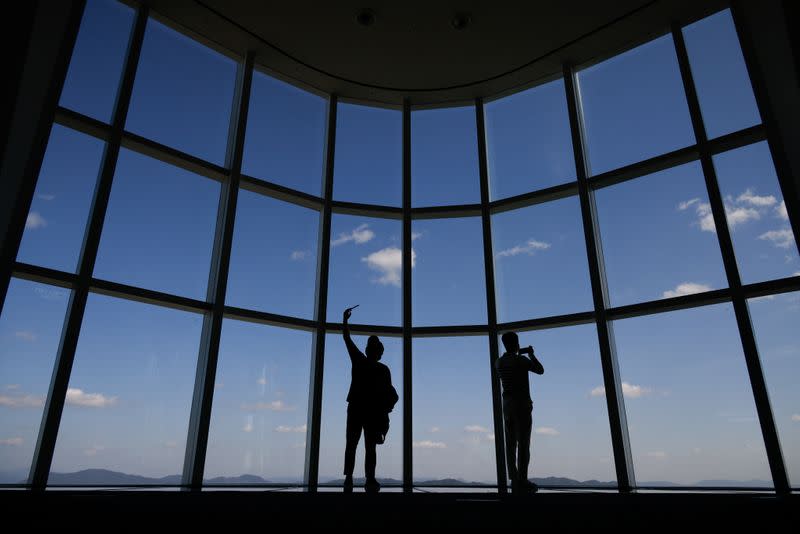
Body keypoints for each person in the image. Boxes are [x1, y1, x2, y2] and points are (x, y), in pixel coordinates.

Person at [342, 306, 398, 493]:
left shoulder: (359, 361)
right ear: (379, 352)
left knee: (353, 444)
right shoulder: (383, 370)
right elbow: (391, 395)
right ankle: (369, 479)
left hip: (357, 408)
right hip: (371, 412)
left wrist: (345, 322)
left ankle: (349, 478)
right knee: (369, 446)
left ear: (368, 350)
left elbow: (347, 340)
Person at [496, 331, 544, 494]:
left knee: (510, 444)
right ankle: (523, 479)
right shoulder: (521, 360)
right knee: (524, 443)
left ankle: (514, 479)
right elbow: (540, 370)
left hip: (507, 405)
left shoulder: (499, 362)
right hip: (521, 405)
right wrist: (531, 355)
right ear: (516, 343)